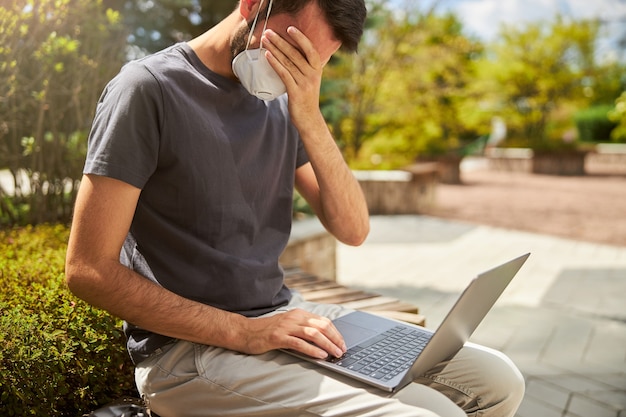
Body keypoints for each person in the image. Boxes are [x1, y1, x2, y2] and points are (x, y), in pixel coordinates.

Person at [65, 0, 525, 415]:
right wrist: (243, 333)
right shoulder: (147, 89)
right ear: (252, 6)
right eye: (292, 50)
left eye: (316, 62)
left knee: (499, 382)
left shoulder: (282, 103)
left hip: (286, 318)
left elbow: (352, 228)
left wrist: (309, 112)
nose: (299, 71)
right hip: (188, 353)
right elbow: (88, 270)